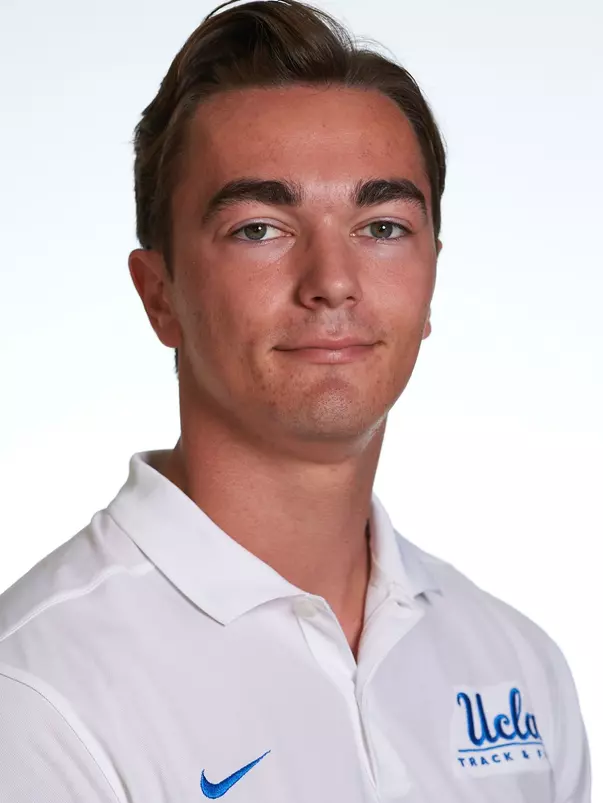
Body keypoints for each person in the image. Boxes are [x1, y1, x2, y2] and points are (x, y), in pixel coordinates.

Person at [0, 0, 591, 800]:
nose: (332, 281)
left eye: (381, 226)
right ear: (159, 294)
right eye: (259, 228)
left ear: (431, 277)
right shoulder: (39, 693)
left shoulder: (513, 663)